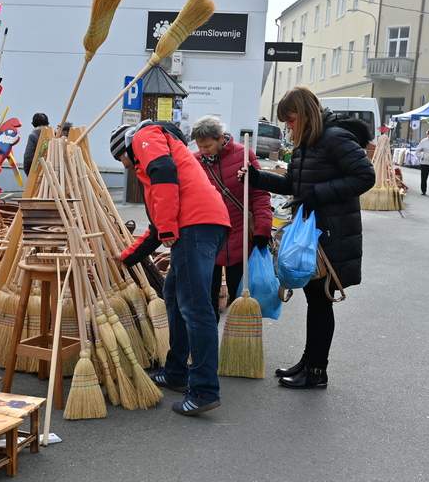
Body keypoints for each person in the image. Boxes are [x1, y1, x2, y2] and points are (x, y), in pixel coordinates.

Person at [243, 87, 375, 390]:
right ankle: (308, 362)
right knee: (315, 300)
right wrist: (256, 177)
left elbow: (365, 176)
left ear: (304, 113)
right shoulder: (307, 143)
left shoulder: (335, 138)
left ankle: (316, 371)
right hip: (313, 231)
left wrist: (319, 194)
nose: (289, 127)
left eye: (290, 120)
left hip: (331, 233)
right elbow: (293, 184)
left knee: (320, 301)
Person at [114, 119, 230, 416]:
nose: (127, 166)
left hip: (196, 225)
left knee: (195, 308)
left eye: (123, 160)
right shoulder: (164, 154)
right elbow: (156, 230)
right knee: (174, 296)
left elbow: (163, 172)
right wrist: (125, 258)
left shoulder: (145, 136)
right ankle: (176, 371)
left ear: (126, 147)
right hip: (203, 223)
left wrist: (167, 227)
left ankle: (204, 391)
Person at [191, 116, 273, 316]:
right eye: (200, 146)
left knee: (239, 295)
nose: (203, 151)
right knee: (207, 299)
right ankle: (209, 333)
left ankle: (237, 330)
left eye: (208, 146)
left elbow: (259, 193)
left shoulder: (243, 155)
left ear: (220, 138)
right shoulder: (194, 162)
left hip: (240, 233)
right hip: (210, 236)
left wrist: (262, 228)